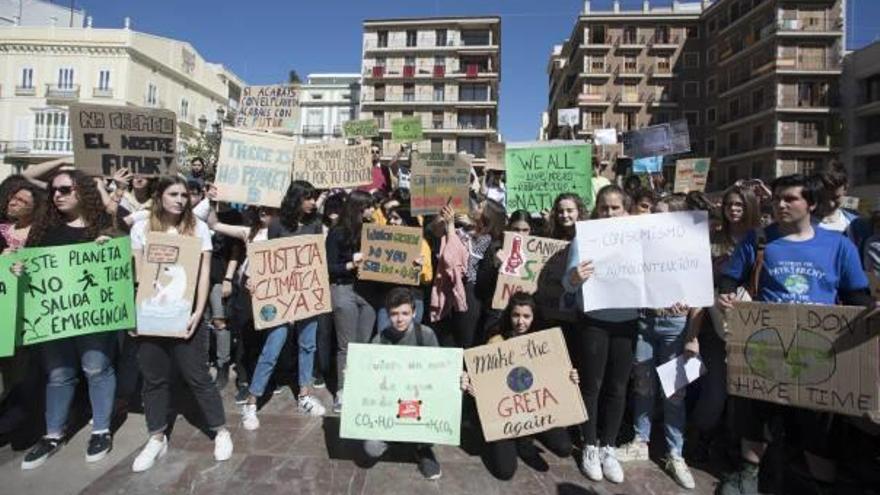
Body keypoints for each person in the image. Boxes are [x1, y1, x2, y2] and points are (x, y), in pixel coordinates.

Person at [716, 174, 871, 495]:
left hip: (819, 354)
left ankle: (819, 486)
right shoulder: (758, 239)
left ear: (811, 204)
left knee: (818, 436)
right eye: (777, 198)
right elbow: (730, 278)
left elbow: (857, 298)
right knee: (755, 425)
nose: (780, 204)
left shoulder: (839, 245)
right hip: (765, 348)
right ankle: (747, 478)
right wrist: (727, 294)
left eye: (790, 199)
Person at [21, 170, 124, 470]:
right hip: (54, 319)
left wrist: (111, 245)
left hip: (92, 319)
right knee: (58, 374)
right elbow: (29, 268)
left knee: (96, 368)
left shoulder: (102, 227)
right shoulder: (43, 231)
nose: (57, 195)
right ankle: (53, 434)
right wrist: (18, 270)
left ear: (82, 192)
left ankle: (101, 429)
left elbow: (121, 259)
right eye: (54, 190)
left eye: (65, 189)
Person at [129, 175, 232, 472]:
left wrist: (199, 313)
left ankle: (220, 430)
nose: (179, 200)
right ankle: (156, 436)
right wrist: (135, 315)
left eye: (184, 195)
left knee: (198, 376)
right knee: (154, 379)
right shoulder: (141, 228)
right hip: (151, 317)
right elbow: (136, 275)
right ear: (159, 195)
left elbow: (202, 274)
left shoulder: (199, 228)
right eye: (173, 194)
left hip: (187, 316)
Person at [562, 185, 639, 484]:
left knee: (618, 387)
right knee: (591, 386)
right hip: (593, 320)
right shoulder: (585, 237)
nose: (608, 213)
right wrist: (575, 276)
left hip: (628, 320)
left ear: (626, 210)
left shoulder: (639, 238)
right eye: (604, 208)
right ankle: (590, 446)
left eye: (615, 208)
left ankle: (609, 447)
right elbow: (569, 285)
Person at [619, 194, 697, 489]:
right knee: (642, 385)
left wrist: (692, 336)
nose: (656, 217)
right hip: (644, 323)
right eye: (654, 211)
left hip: (676, 329)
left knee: (675, 393)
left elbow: (700, 300)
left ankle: (675, 452)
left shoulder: (690, 251)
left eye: (663, 213)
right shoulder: (641, 246)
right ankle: (641, 439)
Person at [237, 181, 327, 428]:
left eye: (314, 198)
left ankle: (305, 394)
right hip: (282, 297)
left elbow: (317, 258)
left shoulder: (315, 224)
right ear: (295, 199)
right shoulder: (276, 225)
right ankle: (252, 402)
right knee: (273, 346)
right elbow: (270, 259)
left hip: (307, 295)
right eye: (308, 198)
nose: (312, 202)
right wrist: (256, 281)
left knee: (307, 345)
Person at [461, 292, 577, 480]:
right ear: (509, 315)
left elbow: (555, 378)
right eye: (516, 315)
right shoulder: (496, 340)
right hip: (504, 413)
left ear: (534, 317)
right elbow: (483, 378)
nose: (520, 321)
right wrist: (474, 387)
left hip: (535, 409)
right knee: (505, 471)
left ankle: (527, 438)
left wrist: (569, 377)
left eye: (526, 316)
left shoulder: (544, 343)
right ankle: (497, 439)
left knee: (564, 447)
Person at [362, 287, 443, 480]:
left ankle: (422, 449)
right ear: (387, 314)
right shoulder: (380, 339)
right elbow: (369, 376)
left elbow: (440, 372)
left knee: (435, 423)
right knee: (371, 448)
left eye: (405, 313)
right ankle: (395, 436)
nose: (400, 319)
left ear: (414, 312)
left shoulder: (426, 335)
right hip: (388, 404)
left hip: (419, 401)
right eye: (394, 314)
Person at [327, 190, 377, 412]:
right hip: (344, 289)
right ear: (359, 208)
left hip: (368, 292)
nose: (373, 211)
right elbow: (328, 267)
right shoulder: (337, 233)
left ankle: (359, 387)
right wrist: (350, 265)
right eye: (369, 206)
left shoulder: (374, 230)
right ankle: (343, 391)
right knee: (346, 346)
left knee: (363, 344)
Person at [431, 199, 506, 348]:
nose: (475, 208)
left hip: (469, 295)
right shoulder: (463, 230)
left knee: (465, 341)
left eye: (480, 206)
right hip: (447, 291)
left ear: (487, 216)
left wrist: (452, 225)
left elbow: (454, 260)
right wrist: (446, 220)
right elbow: (435, 230)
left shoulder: (486, 240)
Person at [813, 165, 859, 236]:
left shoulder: (856, 224)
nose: (830, 204)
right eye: (823, 198)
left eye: (835, 198)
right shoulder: (801, 225)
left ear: (845, 189)